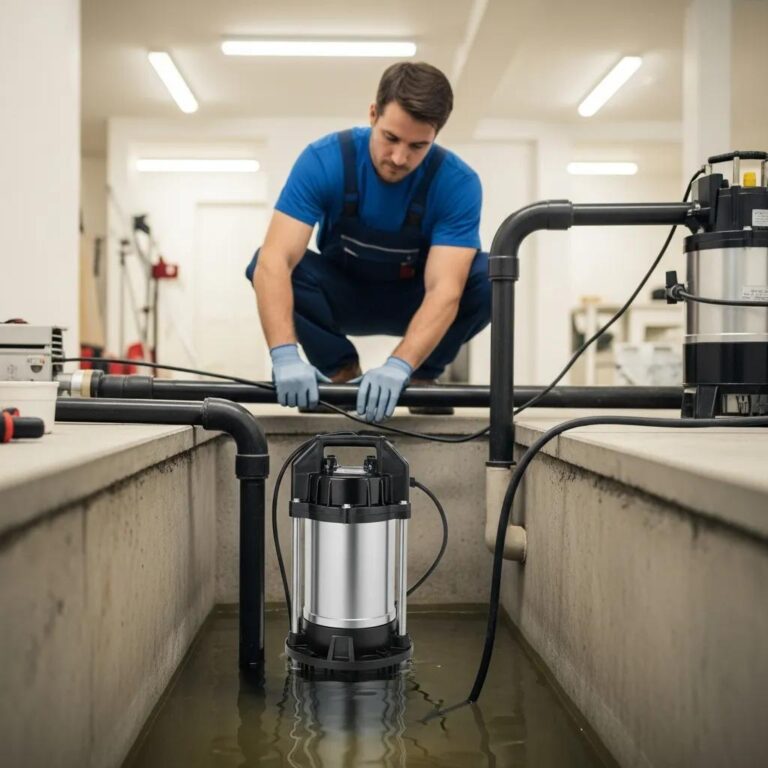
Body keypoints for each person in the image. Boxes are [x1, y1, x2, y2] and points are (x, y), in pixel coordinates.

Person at [246, 61, 490, 422]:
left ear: (436, 136)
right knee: (263, 261)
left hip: (414, 301)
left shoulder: (457, 182)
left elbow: (445, 291)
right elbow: (275, 261)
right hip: (341, 298)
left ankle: (422, 375)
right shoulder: (325, 160)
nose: (399, 157)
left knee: (489, 277)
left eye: (418, 146)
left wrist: (399, 366)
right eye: (391, 138)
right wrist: (284, 353)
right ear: (373, 114)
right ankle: (339, 372)